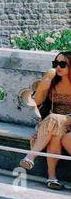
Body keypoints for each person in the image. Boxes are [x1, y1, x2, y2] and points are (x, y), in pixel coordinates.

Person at [21, 51, 71, 189]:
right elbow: (38, 101)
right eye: (55, 64)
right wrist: (44, 84)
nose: (58, 67)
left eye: (62, 64)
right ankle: (52, 177)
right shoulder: (52, 82)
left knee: (54, 120)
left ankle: (31, 156)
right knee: (55, 134)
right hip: (54, 124)